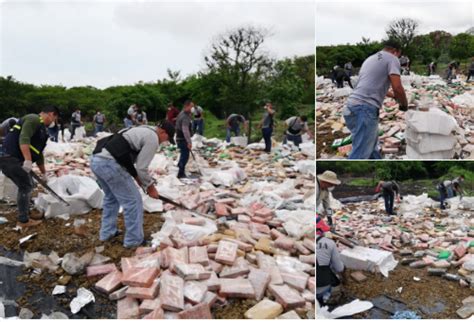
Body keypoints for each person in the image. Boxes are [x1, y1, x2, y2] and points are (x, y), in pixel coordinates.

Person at [90, 122, 173, 248]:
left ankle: (107, 233)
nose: (164, 142)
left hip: (97, 160)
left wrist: (139, 180)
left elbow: (125, 157)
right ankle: (134, 241)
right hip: (110, 163)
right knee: (133, 201)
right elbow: (142, 167)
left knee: (111, 198)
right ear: (163, 132)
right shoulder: (153, 138)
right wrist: (151, 188)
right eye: (167, 139)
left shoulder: (141, 129)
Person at [343, 39, 408, 159]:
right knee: (360, 153)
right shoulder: (392, 58)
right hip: (364, 109)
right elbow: (397, 86)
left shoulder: (370, 59)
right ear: (395, 51)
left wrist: (394, 97)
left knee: (371, 145)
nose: (398, 58)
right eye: (399, 55)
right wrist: (404, 104)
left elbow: (369, 85)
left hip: (350, 108)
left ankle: (377, 160)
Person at [0, 106, 59, 228]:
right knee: (25, 186)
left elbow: (38, 154)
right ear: (51, 114)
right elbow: (24, 138)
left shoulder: (42, 130)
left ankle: (26, 211)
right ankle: (23, 220)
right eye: (54, 118)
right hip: (9, 158)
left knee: (30, 184)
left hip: (15, 159)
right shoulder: (34, 119)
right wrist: (27, 160)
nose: (53, 122)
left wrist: (44, 173)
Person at [316, 215, 345, 306]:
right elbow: (339, 268)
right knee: (335, 277)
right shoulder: (329, 243)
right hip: (321, 288)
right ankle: (329, 299)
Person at [175, 100, 194, 179]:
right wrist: (189, 142)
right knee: (185, 156)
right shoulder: (185, 116)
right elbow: (185, 130)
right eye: (191, 106)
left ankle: (179, 167)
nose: (193, 108)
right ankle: (181, 173)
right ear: (187, 106)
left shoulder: (182, 113)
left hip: (179, 138)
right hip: (183, 139)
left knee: (183, 154)